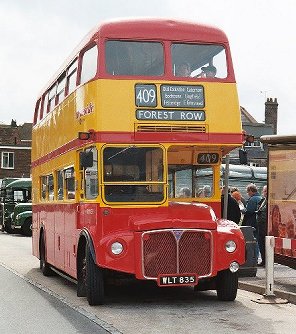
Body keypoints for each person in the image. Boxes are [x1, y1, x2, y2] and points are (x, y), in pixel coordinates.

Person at [242, 183, 262, 261]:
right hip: (258, 221)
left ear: (251, 191)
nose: (247, 194)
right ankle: (257, 257)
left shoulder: (252, 199)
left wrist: (243, 210)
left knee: (252, 240)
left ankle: (254, 258)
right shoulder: (260, 198)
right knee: (257, 239)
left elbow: (249, 211)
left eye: (248, 192)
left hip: (251, 221)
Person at [256, 185, 267, 266]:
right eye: (264, 191)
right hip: (260, 224)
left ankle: (266, 261)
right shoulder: (263, 200)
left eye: (266, 191)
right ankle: (264, 260)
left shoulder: (269, 201)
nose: (264, 193)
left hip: (265, 225)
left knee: (264, 243)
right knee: (261, 243)